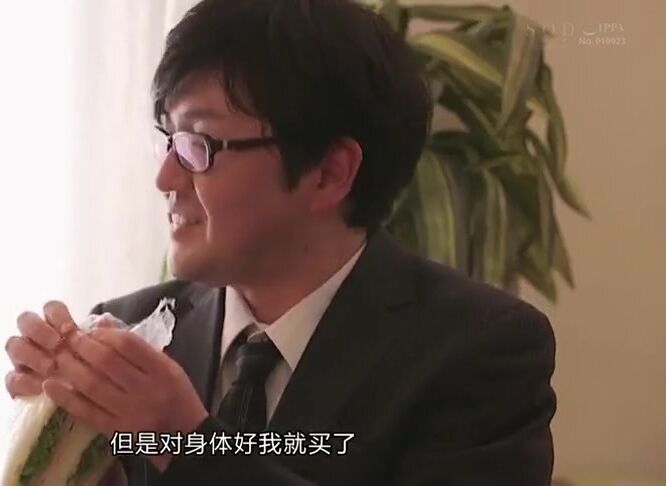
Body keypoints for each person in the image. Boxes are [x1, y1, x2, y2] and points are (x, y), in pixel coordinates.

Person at [4, 0, 556, 484]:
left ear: (329, 173)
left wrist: (190, 443)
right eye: (168, 140)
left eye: (198, 144)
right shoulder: (134, 333)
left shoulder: (478, 351)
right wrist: (56, 443)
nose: (165, 178)